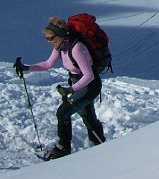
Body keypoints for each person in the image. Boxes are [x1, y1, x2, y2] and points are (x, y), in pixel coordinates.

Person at [15, 17, 105, 160]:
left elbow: (89, 75)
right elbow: (47, 64)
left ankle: (63, 148)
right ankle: (100, 146)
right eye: (47, 38)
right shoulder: (61, 46)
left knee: (63, 113)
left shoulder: (77, 48)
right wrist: (26, 67)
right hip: (79, 83)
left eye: (51, 38)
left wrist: (71, 89)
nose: (49, 41)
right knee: (88, 116)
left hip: (89, 86)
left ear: (61, 35)